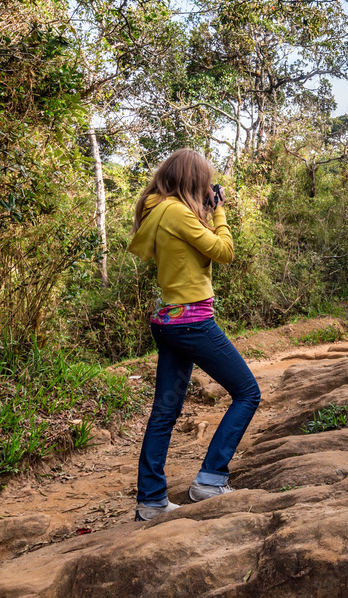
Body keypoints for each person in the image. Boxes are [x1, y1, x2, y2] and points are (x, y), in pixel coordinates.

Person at [127, 148, 261, 521]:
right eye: (203, 181)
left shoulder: (158, 210)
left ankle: (151, 501)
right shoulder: (177, 212)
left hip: (167, 322)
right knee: (248, 392)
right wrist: (218, 210)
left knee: (164, 412)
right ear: (192, 180)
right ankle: (210, 478)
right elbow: (224, 251)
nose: (207, 187)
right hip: (191, 324)